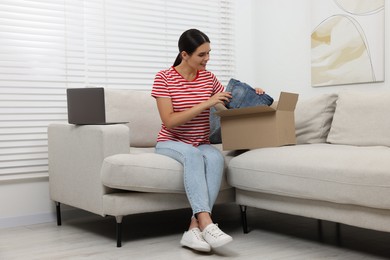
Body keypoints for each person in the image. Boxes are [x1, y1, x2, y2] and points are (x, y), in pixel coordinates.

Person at [151, 28, 233, 252]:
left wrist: (251, 94)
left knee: (215, 158)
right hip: (171, 142)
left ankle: (193, 228)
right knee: (193, 154)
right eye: (201, 55)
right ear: (184, 54)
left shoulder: (208, 78)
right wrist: (206, 103)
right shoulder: (164, 78)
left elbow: (225, 104)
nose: (207, 59)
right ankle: (207, 223)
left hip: (201, 142)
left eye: (209, 53)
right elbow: (169, 121)